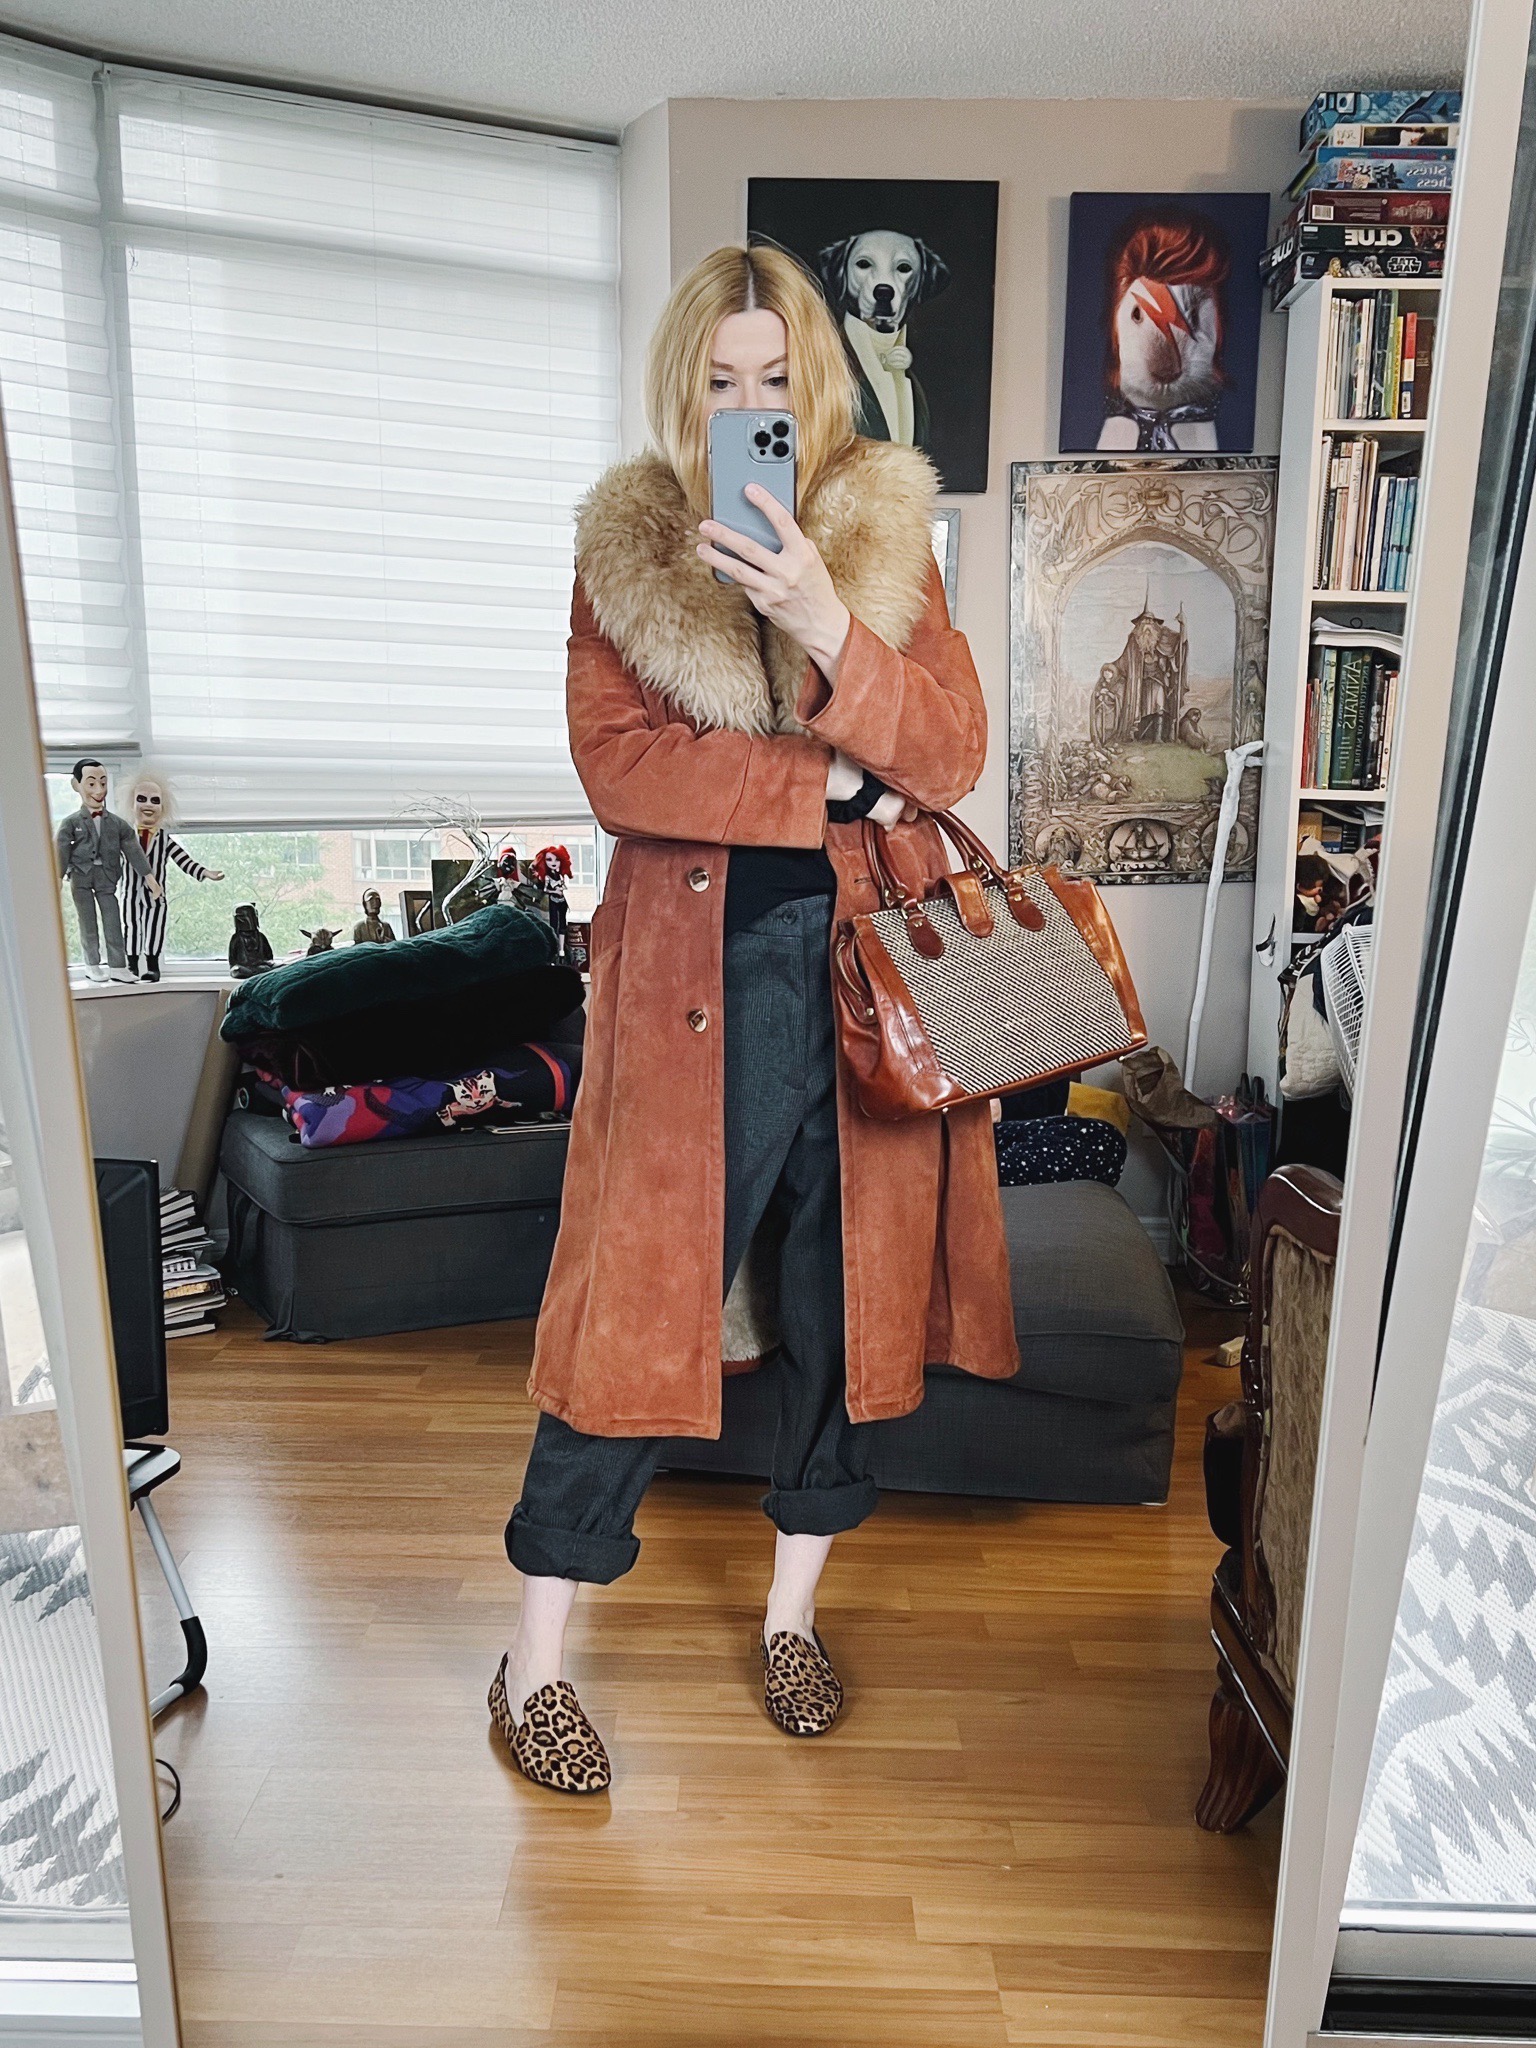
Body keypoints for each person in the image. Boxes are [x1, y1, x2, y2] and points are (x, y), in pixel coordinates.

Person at [491, 244, 1019, 1795]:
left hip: (868, 992)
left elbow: (956, 747)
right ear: (682, 389)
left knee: (836, 1308)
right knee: (631, 1315)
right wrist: (827, 784)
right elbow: (622, 773)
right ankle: (533, 1668)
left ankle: (793, 1617)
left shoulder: (880, 537)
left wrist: (830, 628)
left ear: (817, 382)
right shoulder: (628, 555)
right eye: (719, 381)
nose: (747, 403)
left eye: (773, 378)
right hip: (687, 1001)